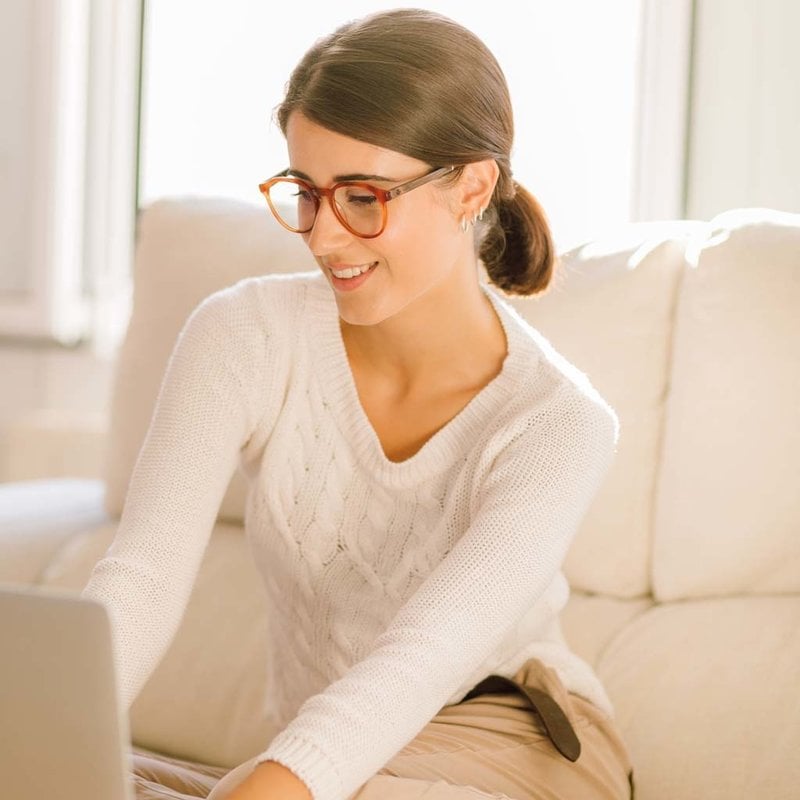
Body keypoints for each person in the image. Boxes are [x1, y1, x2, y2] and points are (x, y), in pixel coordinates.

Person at [82, 8, 634, 800]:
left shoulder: (560, 426)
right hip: (340, 761)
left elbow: (424, 658)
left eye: (365, 197)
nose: (325, 238)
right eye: (306, 193)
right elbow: (142, 578)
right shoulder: (244, 333)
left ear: (472, 186)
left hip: (521, 740)